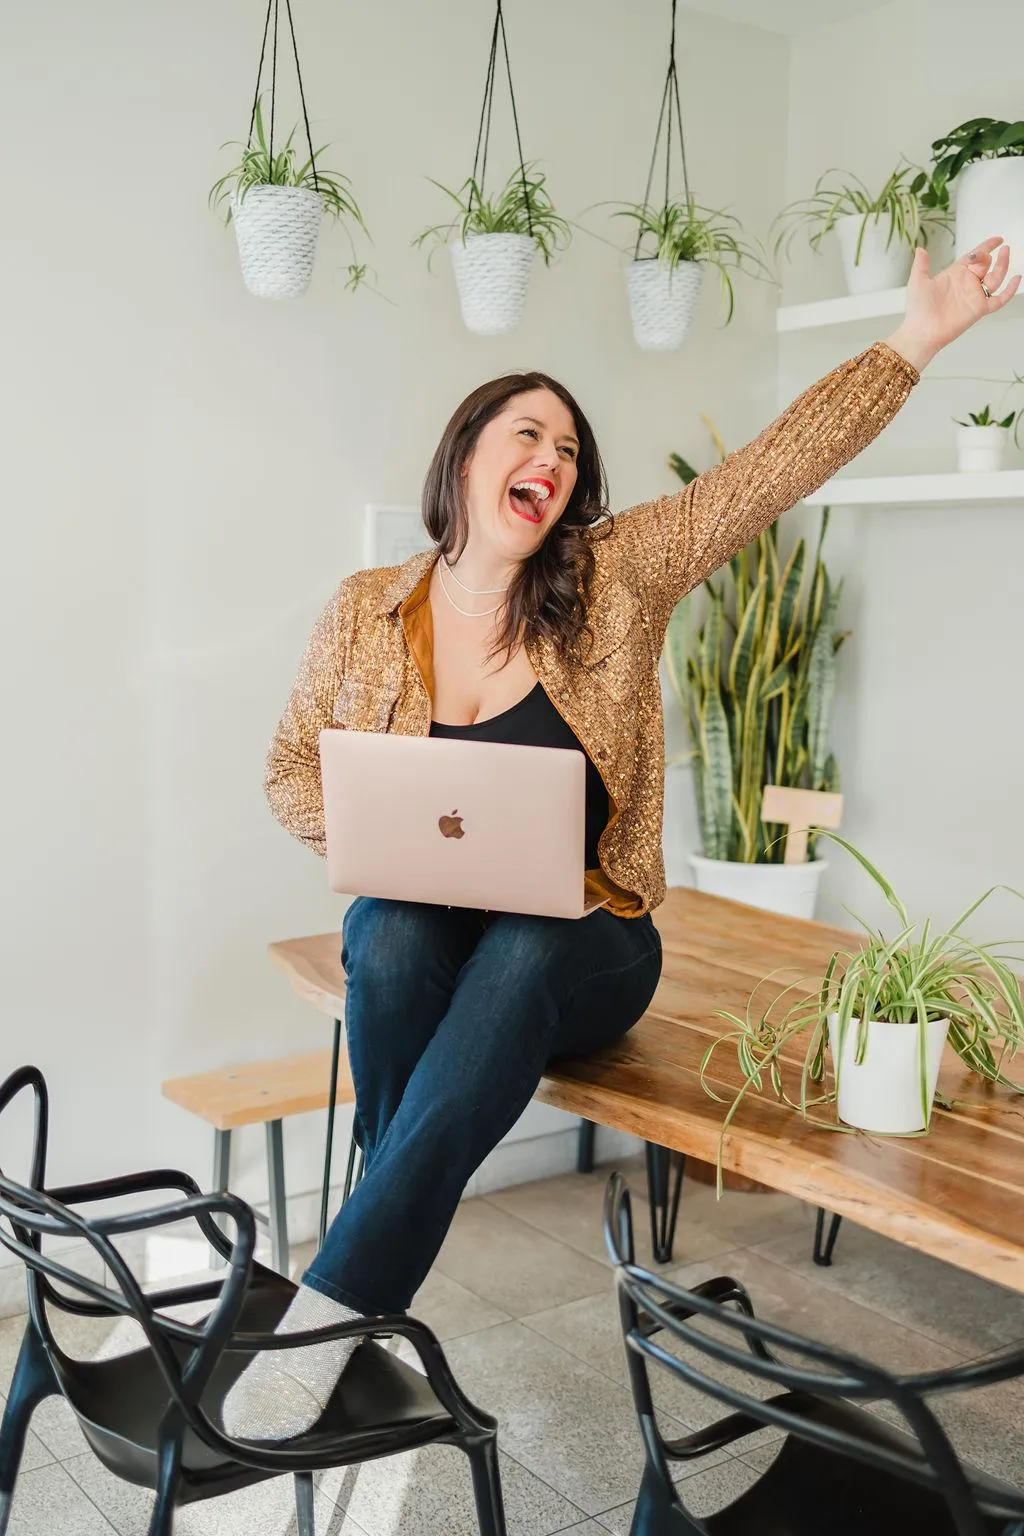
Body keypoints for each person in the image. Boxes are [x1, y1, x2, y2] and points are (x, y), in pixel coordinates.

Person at [223, 238, 1018, 1441]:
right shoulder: (365, 611)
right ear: (466, 456)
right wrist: (364, 823)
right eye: (526, 434)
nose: (553, 456)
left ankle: (330, 1305)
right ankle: (371, 1285)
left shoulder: (613, 577)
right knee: (381, 932)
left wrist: (919, 335)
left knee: (532, 950)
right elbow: (289, 770)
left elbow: (767, 472)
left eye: (569, 447)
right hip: (438, 932)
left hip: (590, 944)